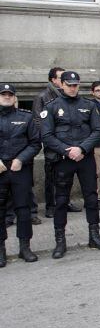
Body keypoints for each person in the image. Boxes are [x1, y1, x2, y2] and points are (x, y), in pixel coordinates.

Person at [41, 71, 100, 258]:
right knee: (61, 200)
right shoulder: (52, 107)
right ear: (62, 84)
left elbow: (98, 131)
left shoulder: (88, 105)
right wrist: (67, 151)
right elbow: (46, 135)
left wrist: (81, 149)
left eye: (75, 85)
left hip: (84, 158)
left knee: (91, 198)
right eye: (69, 85)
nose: (73, 88)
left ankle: (94, 236)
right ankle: (60, 241)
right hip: (63, 160)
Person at [0, 83, 41, 266]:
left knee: (23, 209)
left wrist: (20, 159)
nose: (7, 97)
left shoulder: (26, 117)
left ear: (15, 97)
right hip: (0, 169)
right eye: (3, 94)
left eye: (10, 94)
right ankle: (1, 250)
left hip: (20, 169)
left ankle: (25, 247)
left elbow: (35, 143)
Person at [34, 66, 69, 219]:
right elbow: (38, 121)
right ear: (53, 80)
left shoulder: (67, 95)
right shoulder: (42, 96)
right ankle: (50, 206)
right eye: (62, 78)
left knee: (66, 175)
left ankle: (65, 203)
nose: (65, 81)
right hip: (52, 144)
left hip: (67, 142)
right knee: (51, 176)